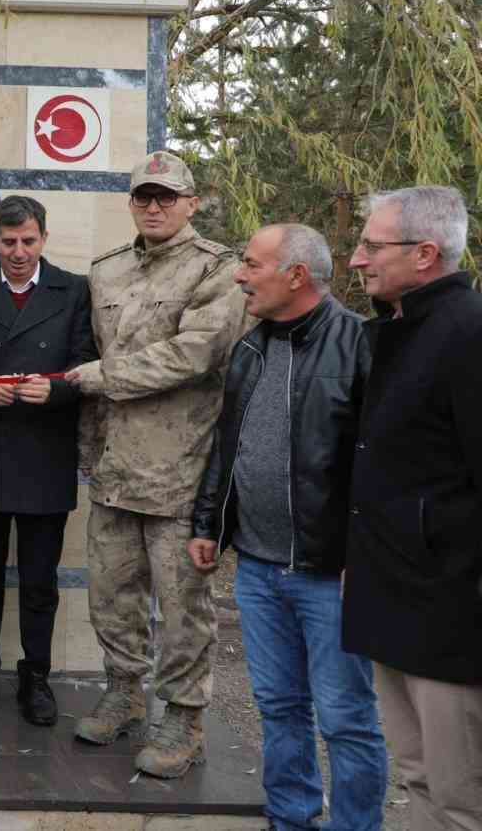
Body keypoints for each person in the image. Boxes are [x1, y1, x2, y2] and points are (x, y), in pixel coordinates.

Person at [188, 223, 386, 831]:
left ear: (295, 275)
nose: (240, 275)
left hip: (331, 574)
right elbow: (228, 447)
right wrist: (208, 523)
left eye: (251, 264)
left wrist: (368, 553)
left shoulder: (361, 346)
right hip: (257, 567)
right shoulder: (250, 348)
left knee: (346, 717)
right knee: (277, 706)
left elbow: (380, 463)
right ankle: (291, 818)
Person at [63, 149, 247, 778]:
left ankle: (184, 718)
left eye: (168, 196)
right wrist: (89, 451)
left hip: (180, 472)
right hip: (116, 468)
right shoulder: (106, 271)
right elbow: (94, 354)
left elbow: (194, 355)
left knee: (183, 605)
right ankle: (122, 689)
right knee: (112, 594)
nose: (155, 206)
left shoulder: (218, 271)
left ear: (191, 203)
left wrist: (103, 377)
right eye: (144, 196)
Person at [342, 186, 482, 831]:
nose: (356, 259)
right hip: (392, 599)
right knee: (420, 776)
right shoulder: (396, 332)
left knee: (461, 796)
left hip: (451, 615)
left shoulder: (467, 333)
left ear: (426, 253)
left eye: (372, 246)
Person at [0, 196, 97, 726]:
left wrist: (55, 389)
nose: (18, 252)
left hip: (44, 452)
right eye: (8, 241)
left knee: (39, 582)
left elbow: (85, 360)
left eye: (28, 241)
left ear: (43, 239)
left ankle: (36, 677)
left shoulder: (73, 289)